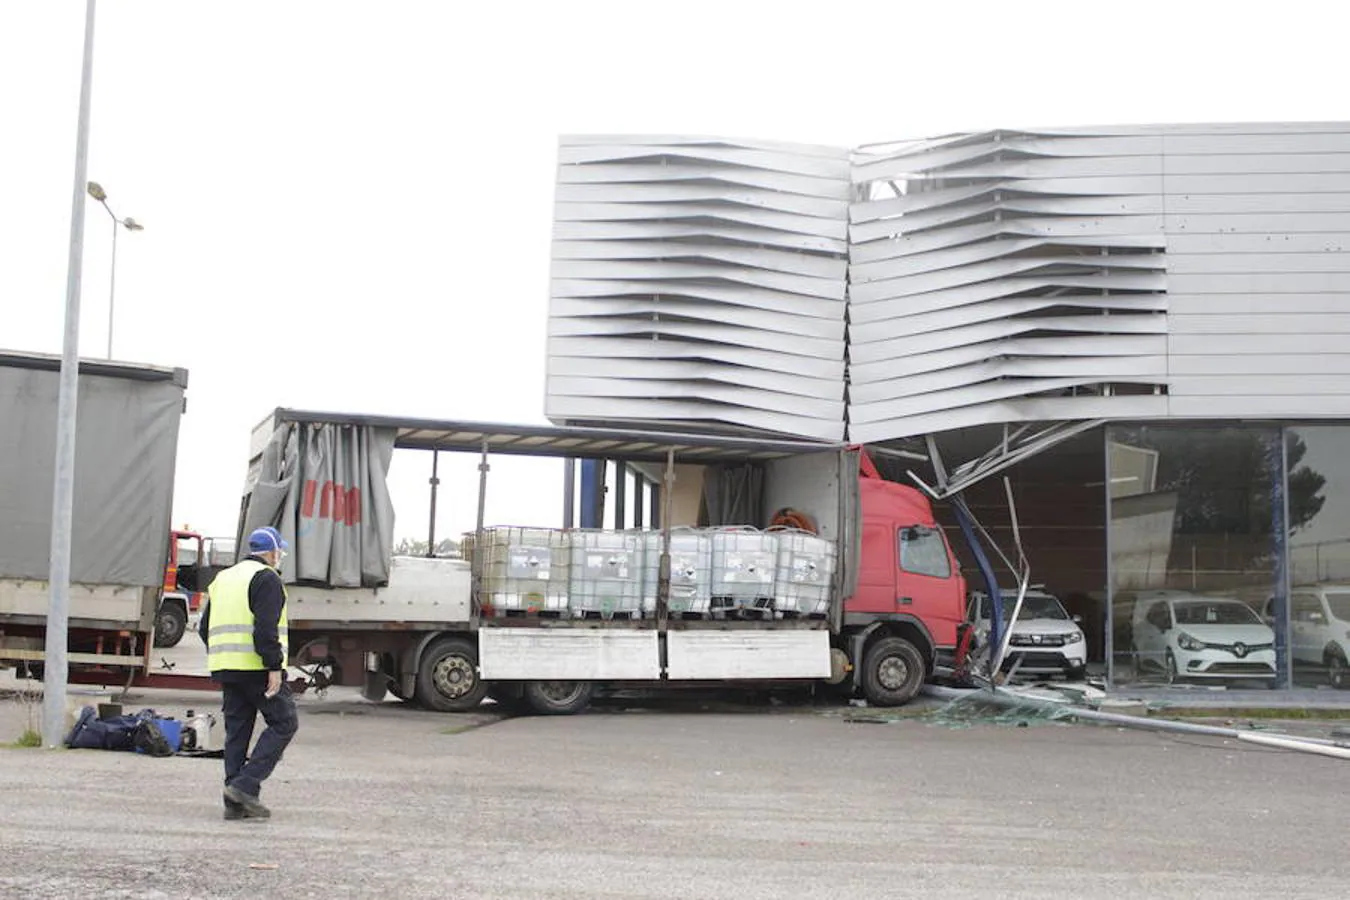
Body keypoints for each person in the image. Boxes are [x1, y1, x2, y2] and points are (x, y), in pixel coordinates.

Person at [198, 525, 298, 820]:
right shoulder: (267, 578)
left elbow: (205, 628)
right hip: (256, 668)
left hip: (226, 668)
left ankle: (234, 802)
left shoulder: (223, 579)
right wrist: (274, 667)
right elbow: (265, 629)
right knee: (284, 723)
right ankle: (245, 785)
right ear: (272, 552)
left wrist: (223, 656)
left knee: (237, 733)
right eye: (280, 551)